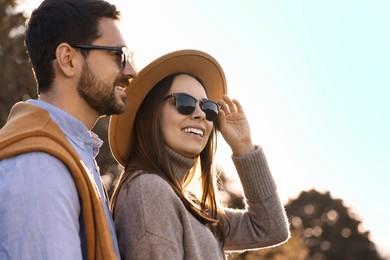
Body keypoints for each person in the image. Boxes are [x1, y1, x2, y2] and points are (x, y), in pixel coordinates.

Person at [109, 49, 290, 259]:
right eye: (184, 103)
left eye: (209, 108)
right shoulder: (150, 190)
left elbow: (270, 229)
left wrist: (244, 146)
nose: (201, 114)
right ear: (151, 113)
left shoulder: (187, 205)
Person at [0, 0, 137, 259]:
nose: (131, 71)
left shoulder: (70, 153)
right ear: (68, 59)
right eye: (118, 56)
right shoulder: (40, 166)